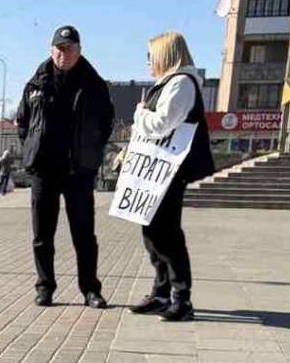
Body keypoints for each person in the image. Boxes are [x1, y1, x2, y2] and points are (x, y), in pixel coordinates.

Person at [17, 25, 115, 308]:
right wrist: (31, 151)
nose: (64, 54)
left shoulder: (94, 84)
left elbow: (106, 123)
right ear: (51, 50)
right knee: (42, 236)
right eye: (59, 49)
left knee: (84, 235)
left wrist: (92, 150)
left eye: (69, 49)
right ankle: (44, 287)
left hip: (79, 171)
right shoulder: (36, 84)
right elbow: (22, 123)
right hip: (44, 170)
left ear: (79, 50)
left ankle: (90, 290)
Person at [128, 31, 214, 322]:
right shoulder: (168, 84)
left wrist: (140, 114)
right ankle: (161, 292)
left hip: (170, 170)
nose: (149, 62)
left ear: (165, 55)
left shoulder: (180, 84)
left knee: (167, 234)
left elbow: (162, 124)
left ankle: (181, 298)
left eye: (151, 56)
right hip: (158, 170)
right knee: (152, 232)